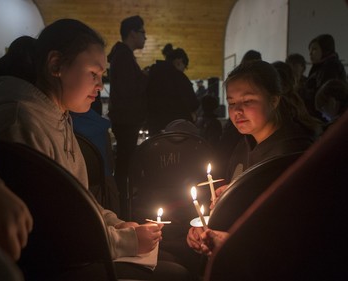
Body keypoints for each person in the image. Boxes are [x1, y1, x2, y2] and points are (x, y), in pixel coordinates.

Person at [0, 19, 190, 281]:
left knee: (175, 255)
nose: (100, 86)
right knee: (177, 273)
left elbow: (78, 202)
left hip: (75, 252)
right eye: (93, 74)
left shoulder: (58, 117)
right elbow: (49, 234)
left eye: (102, 76)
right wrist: (126, 241)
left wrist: (116, 224)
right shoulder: (18, 122)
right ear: (56, 65)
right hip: (50, 268)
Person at [187, 60, 318, 254]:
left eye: (248, 101)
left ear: (274, 100)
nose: (237, 111)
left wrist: (232, 242)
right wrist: (208, 225)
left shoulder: (292, 155)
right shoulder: (245, 144)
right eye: (231, 103)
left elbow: (295, 232)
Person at [107, 15, 148, 219]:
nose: (145, 37)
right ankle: (124, 211)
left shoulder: (122, 55)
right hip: (126, 119)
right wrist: (144, 79)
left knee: (125, 165)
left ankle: (124, 208)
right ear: (132, 33)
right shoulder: (123, 56)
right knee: (125, 167)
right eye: (143, 32)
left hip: (125, 119)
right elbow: (127, 89)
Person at [146, 47, 199, 136]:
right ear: (179, 61)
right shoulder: (179, 77)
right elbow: (193, 102)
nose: (183, 70)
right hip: (176, 129)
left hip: (155, 127)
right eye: (184, 66)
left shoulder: (152, 73)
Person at [305, 34, 347, 120]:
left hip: (323, 118)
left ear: (325, 49)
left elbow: (327, 95)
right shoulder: (319, 67)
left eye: (314, 49)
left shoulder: (330, 67)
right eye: (310, 50)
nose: (310, 53)